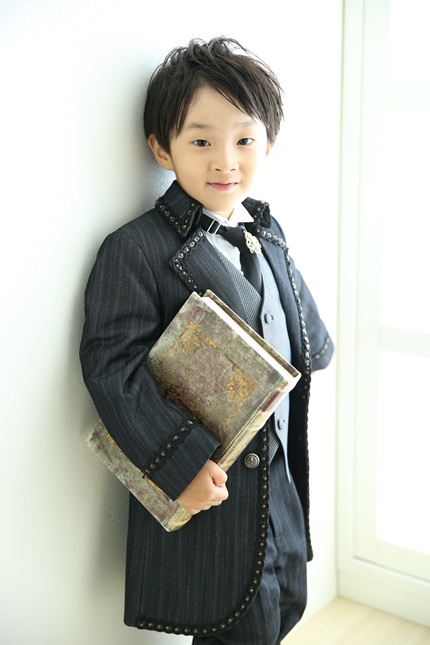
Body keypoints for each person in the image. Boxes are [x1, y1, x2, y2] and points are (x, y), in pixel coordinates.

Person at [80, 37, 333, 644]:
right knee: (237, 626)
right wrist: (183, 463)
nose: (225, 162)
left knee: (284, 607)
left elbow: (305, 337)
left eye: (244, 140)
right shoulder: (136, 249)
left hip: (281, 486)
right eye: (201, 142)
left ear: (268, 144)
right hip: (213, 497)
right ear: (160, 149)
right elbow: (113, 370)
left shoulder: (266, 234)